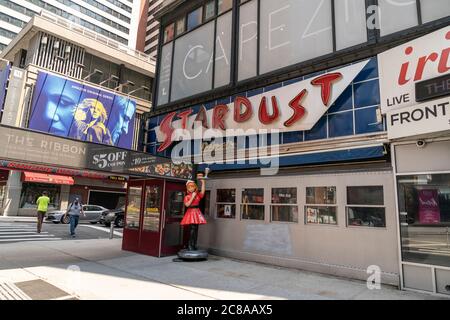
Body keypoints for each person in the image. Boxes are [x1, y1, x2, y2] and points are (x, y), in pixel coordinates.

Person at [181, 174, 207, 251]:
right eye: (189, 187)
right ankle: (190, 245)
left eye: (192, 186)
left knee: (196, 229)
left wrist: (203, 182)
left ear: (195, 187)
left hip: (197, 212)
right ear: (188, 188)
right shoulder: (187, 197)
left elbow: (202, 192)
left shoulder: (197, 195)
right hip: (191, 212)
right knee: (192, 229)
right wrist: (192, 197)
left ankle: (194, 244)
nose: (191, 188)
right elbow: (187, 204)